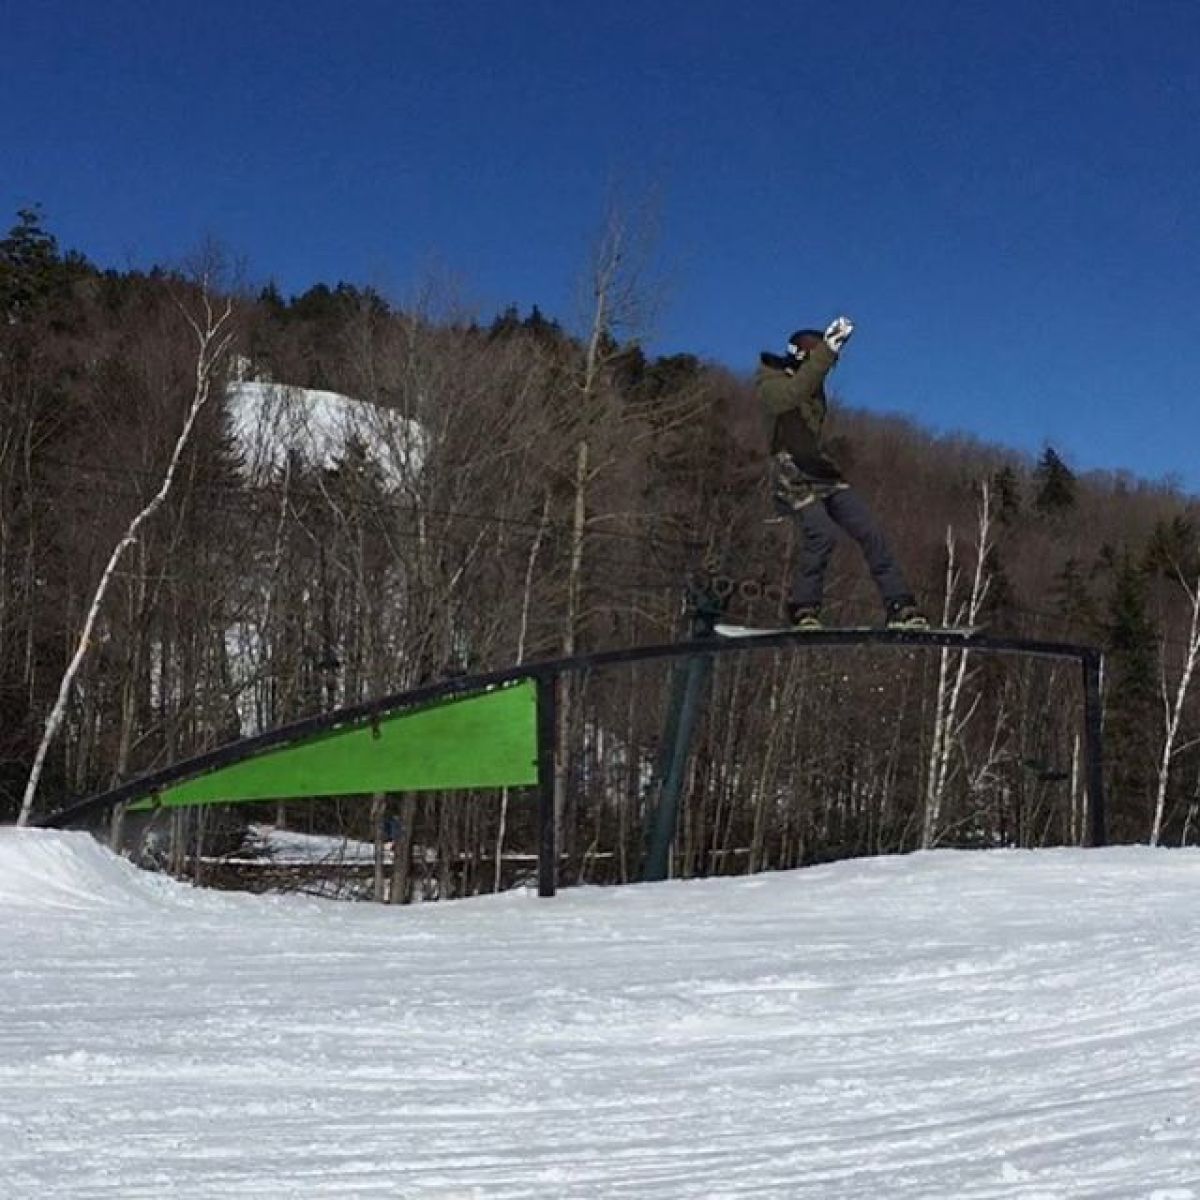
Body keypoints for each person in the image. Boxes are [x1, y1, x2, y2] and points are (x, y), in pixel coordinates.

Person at [755, 316, 927, 629]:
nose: (827, 370)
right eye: (823, 361)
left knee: (869, 530)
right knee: (821, 533)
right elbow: (789, 396)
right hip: (790, 473)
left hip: (819, 470)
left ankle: (900, 603)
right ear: (805, 356)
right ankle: (802, 608)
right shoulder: (771, 379)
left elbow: (808, 387)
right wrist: (827, 351)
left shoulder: (814, 382)